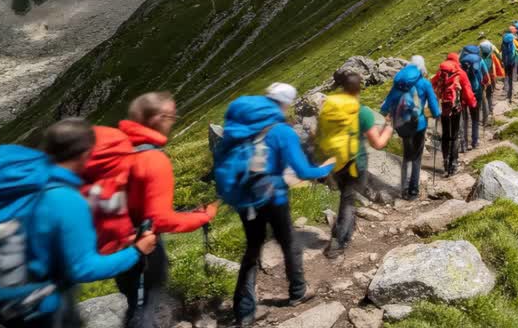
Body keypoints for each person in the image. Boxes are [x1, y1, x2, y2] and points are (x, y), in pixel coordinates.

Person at [0, 119, 157, 328]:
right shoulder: (63, 198)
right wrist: (137, 252)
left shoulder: (6, 188)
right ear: (86, 153)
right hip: (36, 306)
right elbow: (84, 268)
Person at [218, 84, 333, 327]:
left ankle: (244, 310)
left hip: (245, 198)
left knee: (252, 249)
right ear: (285, 103)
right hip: (274, 197)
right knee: (289, 241)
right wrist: (328, 167)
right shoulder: (283, 132)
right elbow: (303, 171)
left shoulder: (243, 127)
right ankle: (298, 290)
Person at [106, 93, 216, 328]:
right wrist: (201, 217)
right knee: (146, 307)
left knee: (134, 302)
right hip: (144, 244)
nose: (173, 121)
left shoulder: (117, 151)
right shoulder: (153, 159)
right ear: (158, 118)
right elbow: (161, 219)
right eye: (171, 116)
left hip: (115, 242)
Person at [317, 71, 392, 255]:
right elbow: (378, 143)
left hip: (335, 160)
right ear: (360, 88)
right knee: (348, 200)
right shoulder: (363, 111)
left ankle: (346, 227)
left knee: (346, 194)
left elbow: (319, 135)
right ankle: (338, 243)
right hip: (355, 162)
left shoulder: (331, 107)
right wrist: (389, 127)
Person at [379, 60, 440, 200]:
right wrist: (436, 114)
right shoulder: (424, 83)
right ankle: (413, 191)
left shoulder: (398, 85)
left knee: (407, 156)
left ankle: (404, 189)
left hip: (401, 126)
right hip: (418, 125)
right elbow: (433, 105)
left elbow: (385, 106)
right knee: (416, 158)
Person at [431, 54, 476, 176]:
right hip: (456, 108)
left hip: (444, 108)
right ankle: (454, 164)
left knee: (445, 135)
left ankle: (445, 162)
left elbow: (432, 84)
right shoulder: (460, 73)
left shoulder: (441, 73)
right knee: (455, 136)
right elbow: (467, 90)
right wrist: (472, 104)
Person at [458, 45, 487, 150]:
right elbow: (486, 75)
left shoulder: (460, 62)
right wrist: (484, 84)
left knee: (464, 118)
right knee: (475, 118)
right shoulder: (480, 60)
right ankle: (475, 141)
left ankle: (464, 144)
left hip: (463, 93)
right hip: (476, 92)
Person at [478, 41, 498, 128]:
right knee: (489, 95)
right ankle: (490, 110)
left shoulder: (479, 59)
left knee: (482, 99)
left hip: (481, 81)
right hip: (490, 79)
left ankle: (482, 117)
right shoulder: (491, 57)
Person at [500, 29, 518, 102]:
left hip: (506, 62)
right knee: (512, 76)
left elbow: (502, 53)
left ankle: (506, 92)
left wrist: (502, 61)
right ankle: (512, 92)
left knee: (506, 76)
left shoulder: (503, 43)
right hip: (514, 61)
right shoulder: (514, 42)